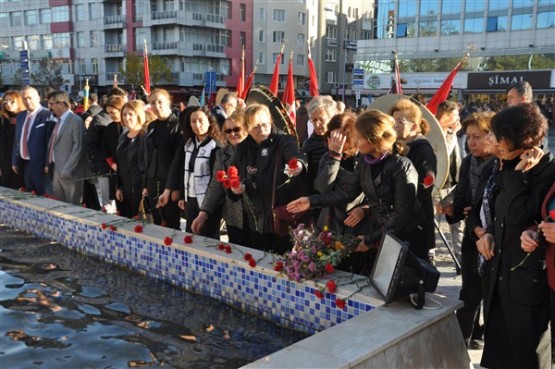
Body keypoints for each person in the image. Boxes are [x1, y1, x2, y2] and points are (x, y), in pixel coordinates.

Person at [287, 109, 428, 270]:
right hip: (382, 233)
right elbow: (348, 193)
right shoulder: (365, 161)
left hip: (404, 236)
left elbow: (402, 214)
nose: (356, 142)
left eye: (359, 138)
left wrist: (370, 239)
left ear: (373, 140)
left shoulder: (401, 166)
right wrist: (310, 201)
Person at [476, 103, 555, 369]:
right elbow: (497, 216)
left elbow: (519, 214)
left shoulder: (546, 171)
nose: (492, 142)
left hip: (527, 282)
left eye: (497, 137)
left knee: (525, 355)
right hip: (499, 274)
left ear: (520, 140)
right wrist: (487, 234)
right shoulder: (505, 164)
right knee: (498, 350)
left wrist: (520, 175)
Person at [437, 112, 495, 348]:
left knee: (487, 293)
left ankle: (477, 335)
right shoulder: (469, 161)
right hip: (472, 234)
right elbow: (462, 194)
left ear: (492, 137)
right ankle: (464, 339)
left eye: (477, 137)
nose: (471, 142)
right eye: (468, 136)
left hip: (492, 238)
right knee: (470, 290)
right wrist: (452, 209)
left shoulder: (500, 164)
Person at [230, 104, 308, 254]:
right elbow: (233, 173)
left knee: (281, 261)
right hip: (255, 217)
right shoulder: (243, 148)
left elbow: (295, 155)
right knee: (259, 258)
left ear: (271, 121)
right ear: (247, 127)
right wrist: (234, 188)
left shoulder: (283, 140)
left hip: (281, 215)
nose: (261, 130)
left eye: (265, 124)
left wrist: (298, 165)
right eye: (256, 127)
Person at [160, 107, 222, 238]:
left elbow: (216, 180)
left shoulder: (215, 146)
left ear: (210, 122)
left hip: (209, 201)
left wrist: (208, 206)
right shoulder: (188, 144)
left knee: (207, 237)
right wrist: (183, 195)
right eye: (193, 121)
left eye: (201, 120)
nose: (197, 125)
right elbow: (183, 170)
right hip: (191, 199)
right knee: (191, 234)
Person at [191, 110, 251, 245]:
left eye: (236, 129)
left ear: (246, 129)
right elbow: (215, 186)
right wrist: (203, 213)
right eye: (228, 131)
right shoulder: (221, 154)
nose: (232, 134)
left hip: (255, 215)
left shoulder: (256, 150)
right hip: (234, 217)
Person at [390, 98, 437, 254]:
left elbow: (425, 187)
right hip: (399, 220)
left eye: (400, 122)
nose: (394, 126)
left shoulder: (423, 150)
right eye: (393, 121)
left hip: (417, 222)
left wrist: (402, 203)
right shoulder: (396, 147)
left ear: (415, 126)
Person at [313, 112, 365, 236]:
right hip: (329, 222)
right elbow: (323, 188)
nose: (337, 142)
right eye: (333, 137)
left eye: (341, 138)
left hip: (356, 223)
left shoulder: (363, 158)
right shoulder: (327, 157)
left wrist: (365, 209)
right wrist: (335, 157)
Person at [143, 89, 183, 229]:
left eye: (160, 102)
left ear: (169, 102)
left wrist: (176, 187)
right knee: (157, 221)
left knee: (171, 223)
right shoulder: (151, 126)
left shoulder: (178, 125)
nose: (156, 106)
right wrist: (146, 184)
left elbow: (179, 159)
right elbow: (148, 155)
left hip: (169, 183)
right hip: (153, 179)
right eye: (153, 103)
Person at [45, 91, 88, 205]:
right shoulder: (57, 121)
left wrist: (68, 169)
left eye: (51, 104)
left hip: (71, 174)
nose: (49, 107)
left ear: (61, 104)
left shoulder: (75, 121)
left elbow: (78, 147)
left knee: (73, 209)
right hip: (56, 170)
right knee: (60, 208)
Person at [436, 100, 464, 268]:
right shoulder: (433, 132)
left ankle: (461, 261)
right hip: (437, 186)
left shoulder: (453, 132)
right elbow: (442, 157)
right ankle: (430, 257)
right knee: (433, 224)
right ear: (446, 116)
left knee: (457, 223)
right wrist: (452, 135)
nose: (458, 118)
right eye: (455, 115)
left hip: (453, 186)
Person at [12, 87, 55, 195]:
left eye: (30, 98)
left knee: (45, 196)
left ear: (38, 98)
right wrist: (14, 160)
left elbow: (50, 143)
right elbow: (17, 139)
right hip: (25, 164)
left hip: (41, 166)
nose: (27, 101)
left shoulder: (47, 115)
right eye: (24, 98)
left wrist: (47, 164)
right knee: (30, 196)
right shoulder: (21, 116)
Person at [115, 100, 147, 219]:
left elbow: (146, 164)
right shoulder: (123, 136)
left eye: (130, 114)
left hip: (138, 189)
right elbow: (120, 163)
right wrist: (118, 187)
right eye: (124, 114)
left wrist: (145, 188)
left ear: (138, 115)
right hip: (124, 189)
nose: (127, 117)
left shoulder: (144, 136)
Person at [302, 95, 338, 195]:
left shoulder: (341, 139)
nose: (317, 124)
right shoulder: (308, 143)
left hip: (339, 195)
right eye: (313, 120)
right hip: (317, 196)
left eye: (321, 120)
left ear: (332, 118)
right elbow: (306, 176)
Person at [0, 91, 25, 189]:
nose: (8, 104)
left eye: (11, 101)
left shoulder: (26, 117)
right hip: (5, 161)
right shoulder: (3, 119)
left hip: (23, 160)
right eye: (5, 102)